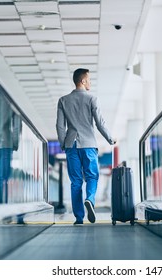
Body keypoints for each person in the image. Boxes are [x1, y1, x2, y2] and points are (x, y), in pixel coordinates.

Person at [56, 68, 116, 225]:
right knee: (92, 176)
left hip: (71, 145)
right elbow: (99, 122)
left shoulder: (63, 100)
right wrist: (110, 139)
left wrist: (63, 143)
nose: (90, 82)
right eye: (89, 79)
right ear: (82, 81)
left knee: (75, 181)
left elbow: (60, 126)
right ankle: (89, 199)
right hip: (88, 144)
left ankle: (78, 217)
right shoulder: (92, 99)